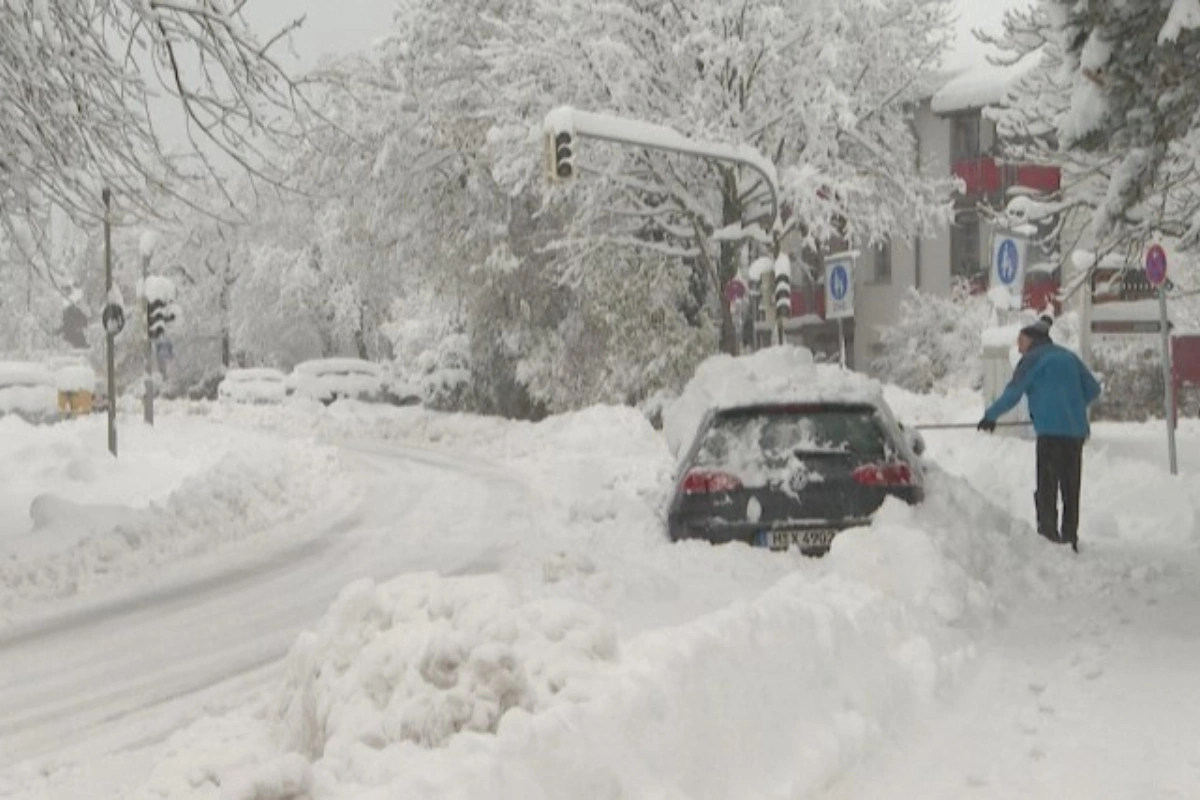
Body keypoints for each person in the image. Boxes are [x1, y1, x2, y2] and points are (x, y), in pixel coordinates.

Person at [977, 316, 1102, 552]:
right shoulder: (1069, 356)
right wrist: (1070, 404)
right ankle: (1070, 537)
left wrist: (991, 415)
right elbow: (1093, 389)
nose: (1018, 347)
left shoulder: (1031, 360)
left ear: (1032, 340)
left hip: (1050, 434)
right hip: (1075, 433)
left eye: (1020, 341)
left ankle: (1048, 538)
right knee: (1070, 487)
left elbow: (1012, 393)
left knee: (1047, 486)